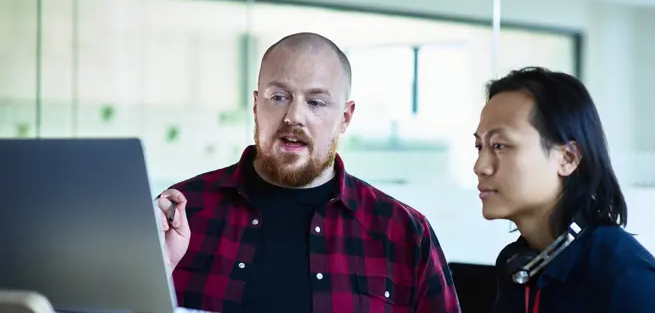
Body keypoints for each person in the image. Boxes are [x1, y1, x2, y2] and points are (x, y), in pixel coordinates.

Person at [153, 32, 460, 313]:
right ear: (256, 105)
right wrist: (156, 270)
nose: (294, 117)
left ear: (345, 118)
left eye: (315, 102)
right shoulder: (179, 214)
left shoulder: (404, 233)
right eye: (279, 98)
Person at [473, 67, 655, 312]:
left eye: (500, 145)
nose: (480, 167)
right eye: (480, 146)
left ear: (568, 158)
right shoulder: (519, 265)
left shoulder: (628, 279)